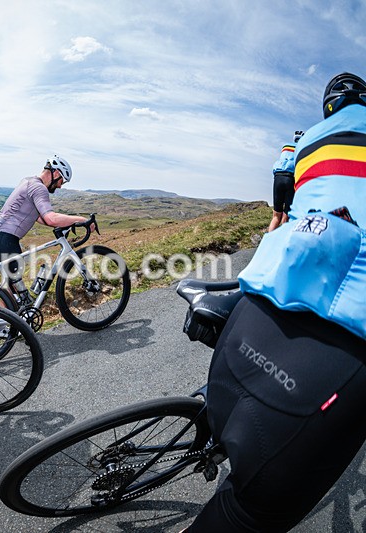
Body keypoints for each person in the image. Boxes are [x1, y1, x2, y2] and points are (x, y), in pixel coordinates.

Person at [184, 72, 366, 531]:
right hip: (346, 335)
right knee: (251, 513)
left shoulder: (302, 144)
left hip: (268, 290)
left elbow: (280, 215)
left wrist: (259, 273)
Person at [0, 156, 96, 334]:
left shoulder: (28, 182)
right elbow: (50, 218)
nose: (61, 186)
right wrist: (81, 220)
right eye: (62, 180)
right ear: (55, 173)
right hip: (6, 239)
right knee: (13, 288)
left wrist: (68, 222)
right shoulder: (39, 188)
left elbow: (40, 217)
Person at [267, 130, 304, 232]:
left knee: (276, 215)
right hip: (290, 178)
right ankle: (281, 240)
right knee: (286, 215)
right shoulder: (302, 147)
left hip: (278, 177)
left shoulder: (285, 146)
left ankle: (268, 242)